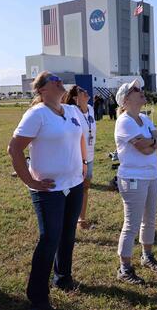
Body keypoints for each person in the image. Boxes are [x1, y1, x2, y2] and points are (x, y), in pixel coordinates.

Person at [8, 72, 87, 310]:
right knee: (49, 239)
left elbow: (80, 137)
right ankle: (38, 296)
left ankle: (63, 277)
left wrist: (83, 163)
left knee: (67, 234)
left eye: (58, 78)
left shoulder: (71, 111)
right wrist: (30, 181)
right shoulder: (36, 114)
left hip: (73, 184)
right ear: (41, 90)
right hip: (48, 188)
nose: (58, 81)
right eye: (52, 79)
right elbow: (14, 149)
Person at [114, 79, 157, 284]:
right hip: (133, 177)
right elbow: (142, 147)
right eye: (136, 90)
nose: (141, 91)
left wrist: (151, 143)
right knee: (132, 224)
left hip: (152, 175)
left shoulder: (144, 118)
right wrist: (152, 143)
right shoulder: (124, 121)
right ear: (126, 100)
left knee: (150, 220)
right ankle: (124, 268)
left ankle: (147, 256)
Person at [63, 85, 97, 230]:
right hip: (75, 158)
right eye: (83, 91)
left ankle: (81, 220)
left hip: (89, 156)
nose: (86, 92)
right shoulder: (71, 111)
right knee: (71, 191)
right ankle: (67, 221)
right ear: (76, 98)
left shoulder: (91, 108)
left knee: (85, 188)